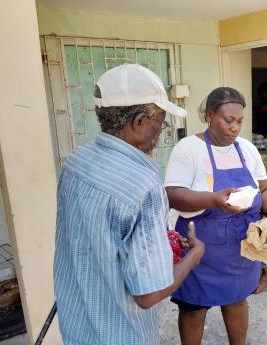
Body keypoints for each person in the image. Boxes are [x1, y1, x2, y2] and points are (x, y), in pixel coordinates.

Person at [54, 64, 205, 345]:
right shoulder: (143, 186)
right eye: (160, 121)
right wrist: (193, 257)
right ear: (138, 121)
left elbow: (97, 239)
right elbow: (148, 295)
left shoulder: (76, 162)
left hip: (76, 323)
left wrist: (160, 244)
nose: (161, 130)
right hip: (120, 333)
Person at [164, 87, 267, 345]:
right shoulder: (189, 149)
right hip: (200, 245)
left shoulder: (247, 150)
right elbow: (173, 194)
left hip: (241, 245)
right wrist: (213, 200)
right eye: (228, 120)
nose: (235, 127)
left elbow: (264, 189)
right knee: (193, 307)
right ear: (209, 115)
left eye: (239, 121)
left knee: (237, 299)